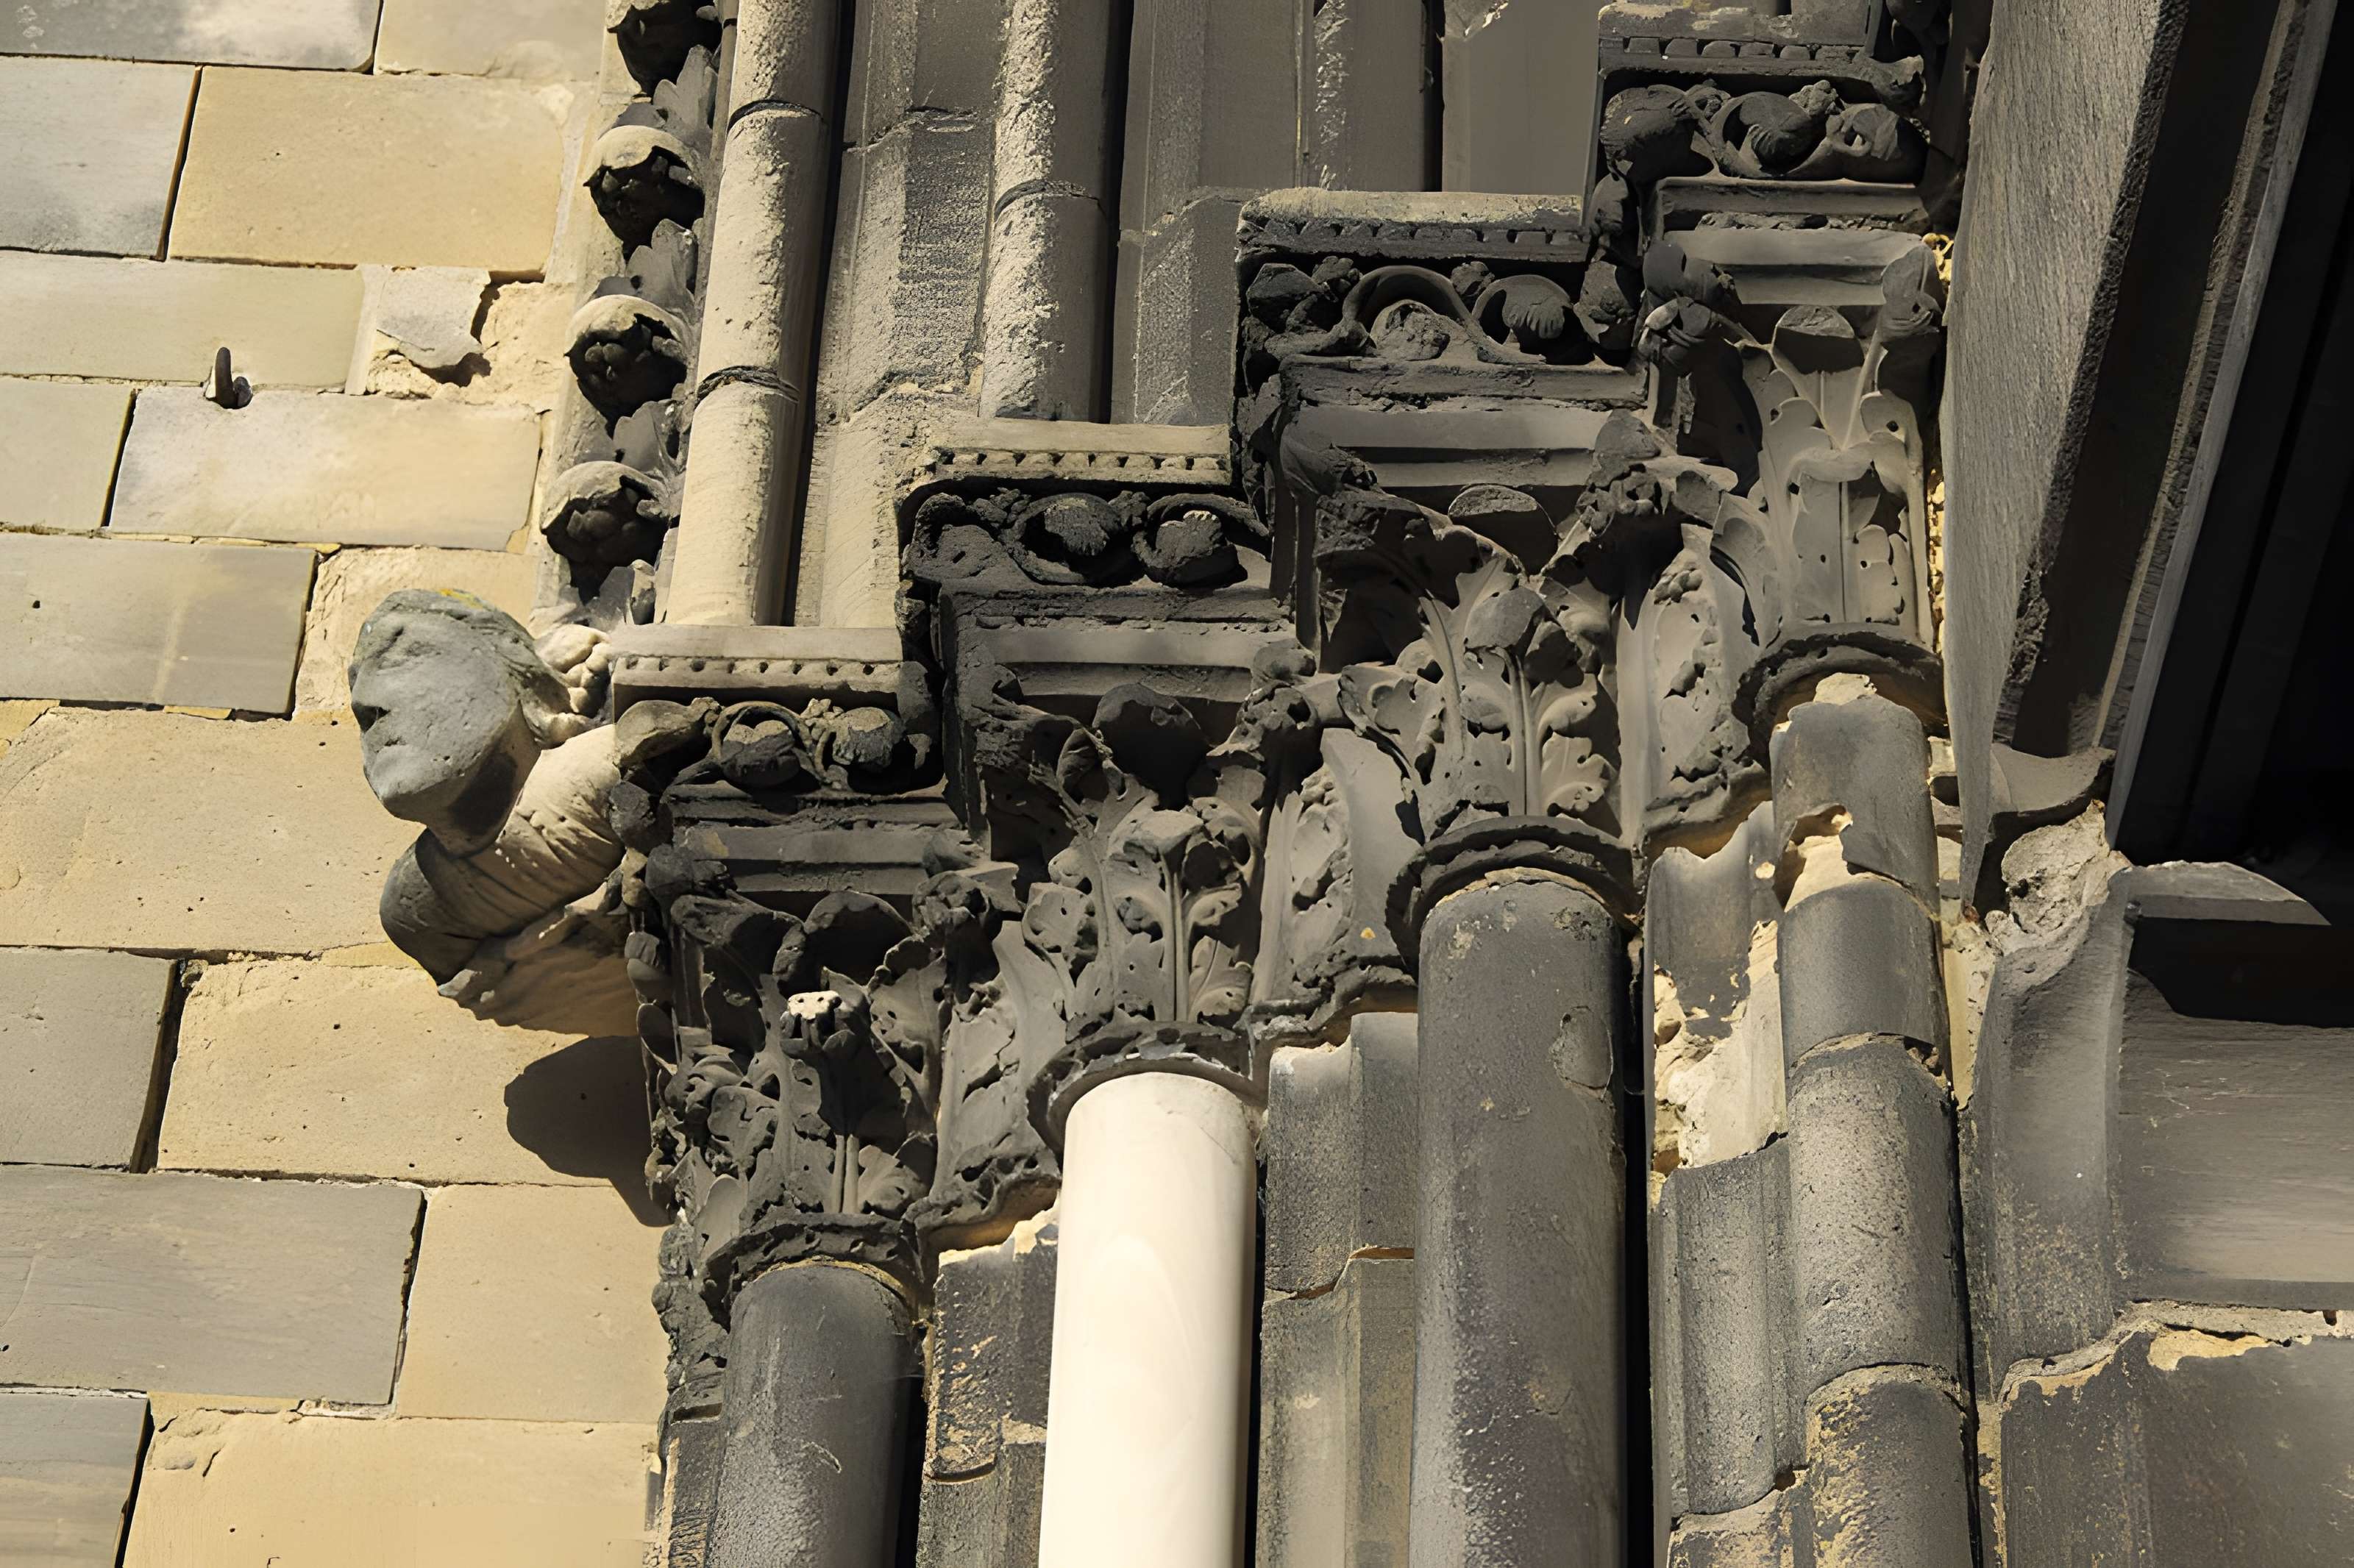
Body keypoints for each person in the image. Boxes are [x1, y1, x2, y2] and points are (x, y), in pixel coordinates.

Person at [348, 590, 636, 1034]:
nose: (364, 701)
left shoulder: (608, 764)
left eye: (406, 654)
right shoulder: (416, 911)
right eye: (356, 683)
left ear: (518, 671)